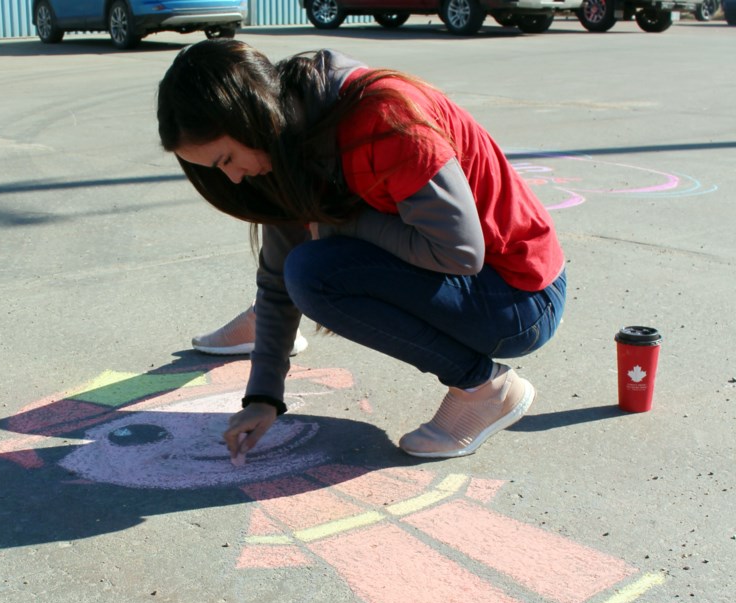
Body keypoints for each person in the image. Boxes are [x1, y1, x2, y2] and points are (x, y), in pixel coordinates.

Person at [157, 40, 566, 460]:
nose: (235, 179)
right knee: (306, 270)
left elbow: (459, 252)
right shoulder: (282, 143)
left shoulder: (384, 116)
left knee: (316, 273)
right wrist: (263, 396)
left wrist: (334, 223)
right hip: (474, 285)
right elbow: (278, 280)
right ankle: (480, 383)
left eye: (227, 159)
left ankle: (486, 389)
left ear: (252, 117)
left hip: (520, 298)